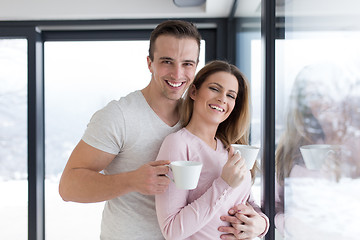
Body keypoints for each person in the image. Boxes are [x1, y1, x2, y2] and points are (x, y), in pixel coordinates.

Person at [58, 20, 266, 240]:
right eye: (167, 61)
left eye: (187, 64)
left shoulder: (201, 117)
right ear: (150, 63)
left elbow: (236, 197)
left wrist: (260, 223)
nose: (177, 74)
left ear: (195, 68)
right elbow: (68, 187)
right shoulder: (120, 116)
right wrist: (131, 180)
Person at [155, 60, 269, 240]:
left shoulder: (231, 149)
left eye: (231, 95)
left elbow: (247, 202)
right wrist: (224, 183)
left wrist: (261, 224)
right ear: (194, 92)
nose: (222, 99)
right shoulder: (178, 144)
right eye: (215, 89)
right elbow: (172, 230)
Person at [274, 63, 360, 239]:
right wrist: (289, 224)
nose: (324, 100)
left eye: (329, 90)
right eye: (314, 95)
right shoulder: (290, 148)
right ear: (303, 105)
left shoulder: (356, 144)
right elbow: (272, 205)